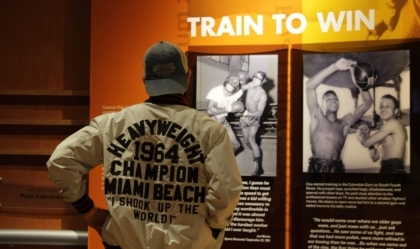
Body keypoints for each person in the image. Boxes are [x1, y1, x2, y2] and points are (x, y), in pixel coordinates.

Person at [46, 41, 243, 249]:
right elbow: (227, 190)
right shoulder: (209, 131)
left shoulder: (111, 125)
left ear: (144, 81)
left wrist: (89, 211)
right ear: (188, 77)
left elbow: (60, 162)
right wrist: (213, 226)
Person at [306, 58, 373, 173]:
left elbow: (367, 103)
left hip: (335, 169)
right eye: (328, 98)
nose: (333, 100)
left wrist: (361, 83)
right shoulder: (317, 118)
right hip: (316, 169)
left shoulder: (344, 124)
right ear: (322, 104)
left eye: (335, 98)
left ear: (338, 103)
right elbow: (309, 86)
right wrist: (335, 66)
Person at [357, 94, 407, 173]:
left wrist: (360, 136)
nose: (383, 108)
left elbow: (366, 143)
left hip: (393, 169)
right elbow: (374, 157)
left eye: (388, 106)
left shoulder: (393, 123)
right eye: (381, 106)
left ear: (396, 111)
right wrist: (367, 135)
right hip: (385, 168)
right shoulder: (385, 132)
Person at [239, 71, 268, 176]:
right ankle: (256, 153)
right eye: (255, 77)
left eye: (258, 78)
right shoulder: (251, 85)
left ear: (263, 81)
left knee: (252, 139)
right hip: (244, 117)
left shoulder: (262, 94)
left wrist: (248, 113)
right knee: (246, 141)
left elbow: (259, 113)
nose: (255, 79)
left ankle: (258, 167)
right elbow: (242, 88)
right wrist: (242, 81)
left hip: (254, 118)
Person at [206, 76, 244, 152]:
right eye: (225, 89)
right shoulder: (216, 91)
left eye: (229, 92)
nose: (226, 92)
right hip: (213, 122)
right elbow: (210, 110)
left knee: (236, 146)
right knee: (211, 148)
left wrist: (242, 113)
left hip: (224, 123)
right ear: (223, 86)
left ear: (235, 91)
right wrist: (228, 108)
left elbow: (236, 114)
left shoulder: (239, 93)